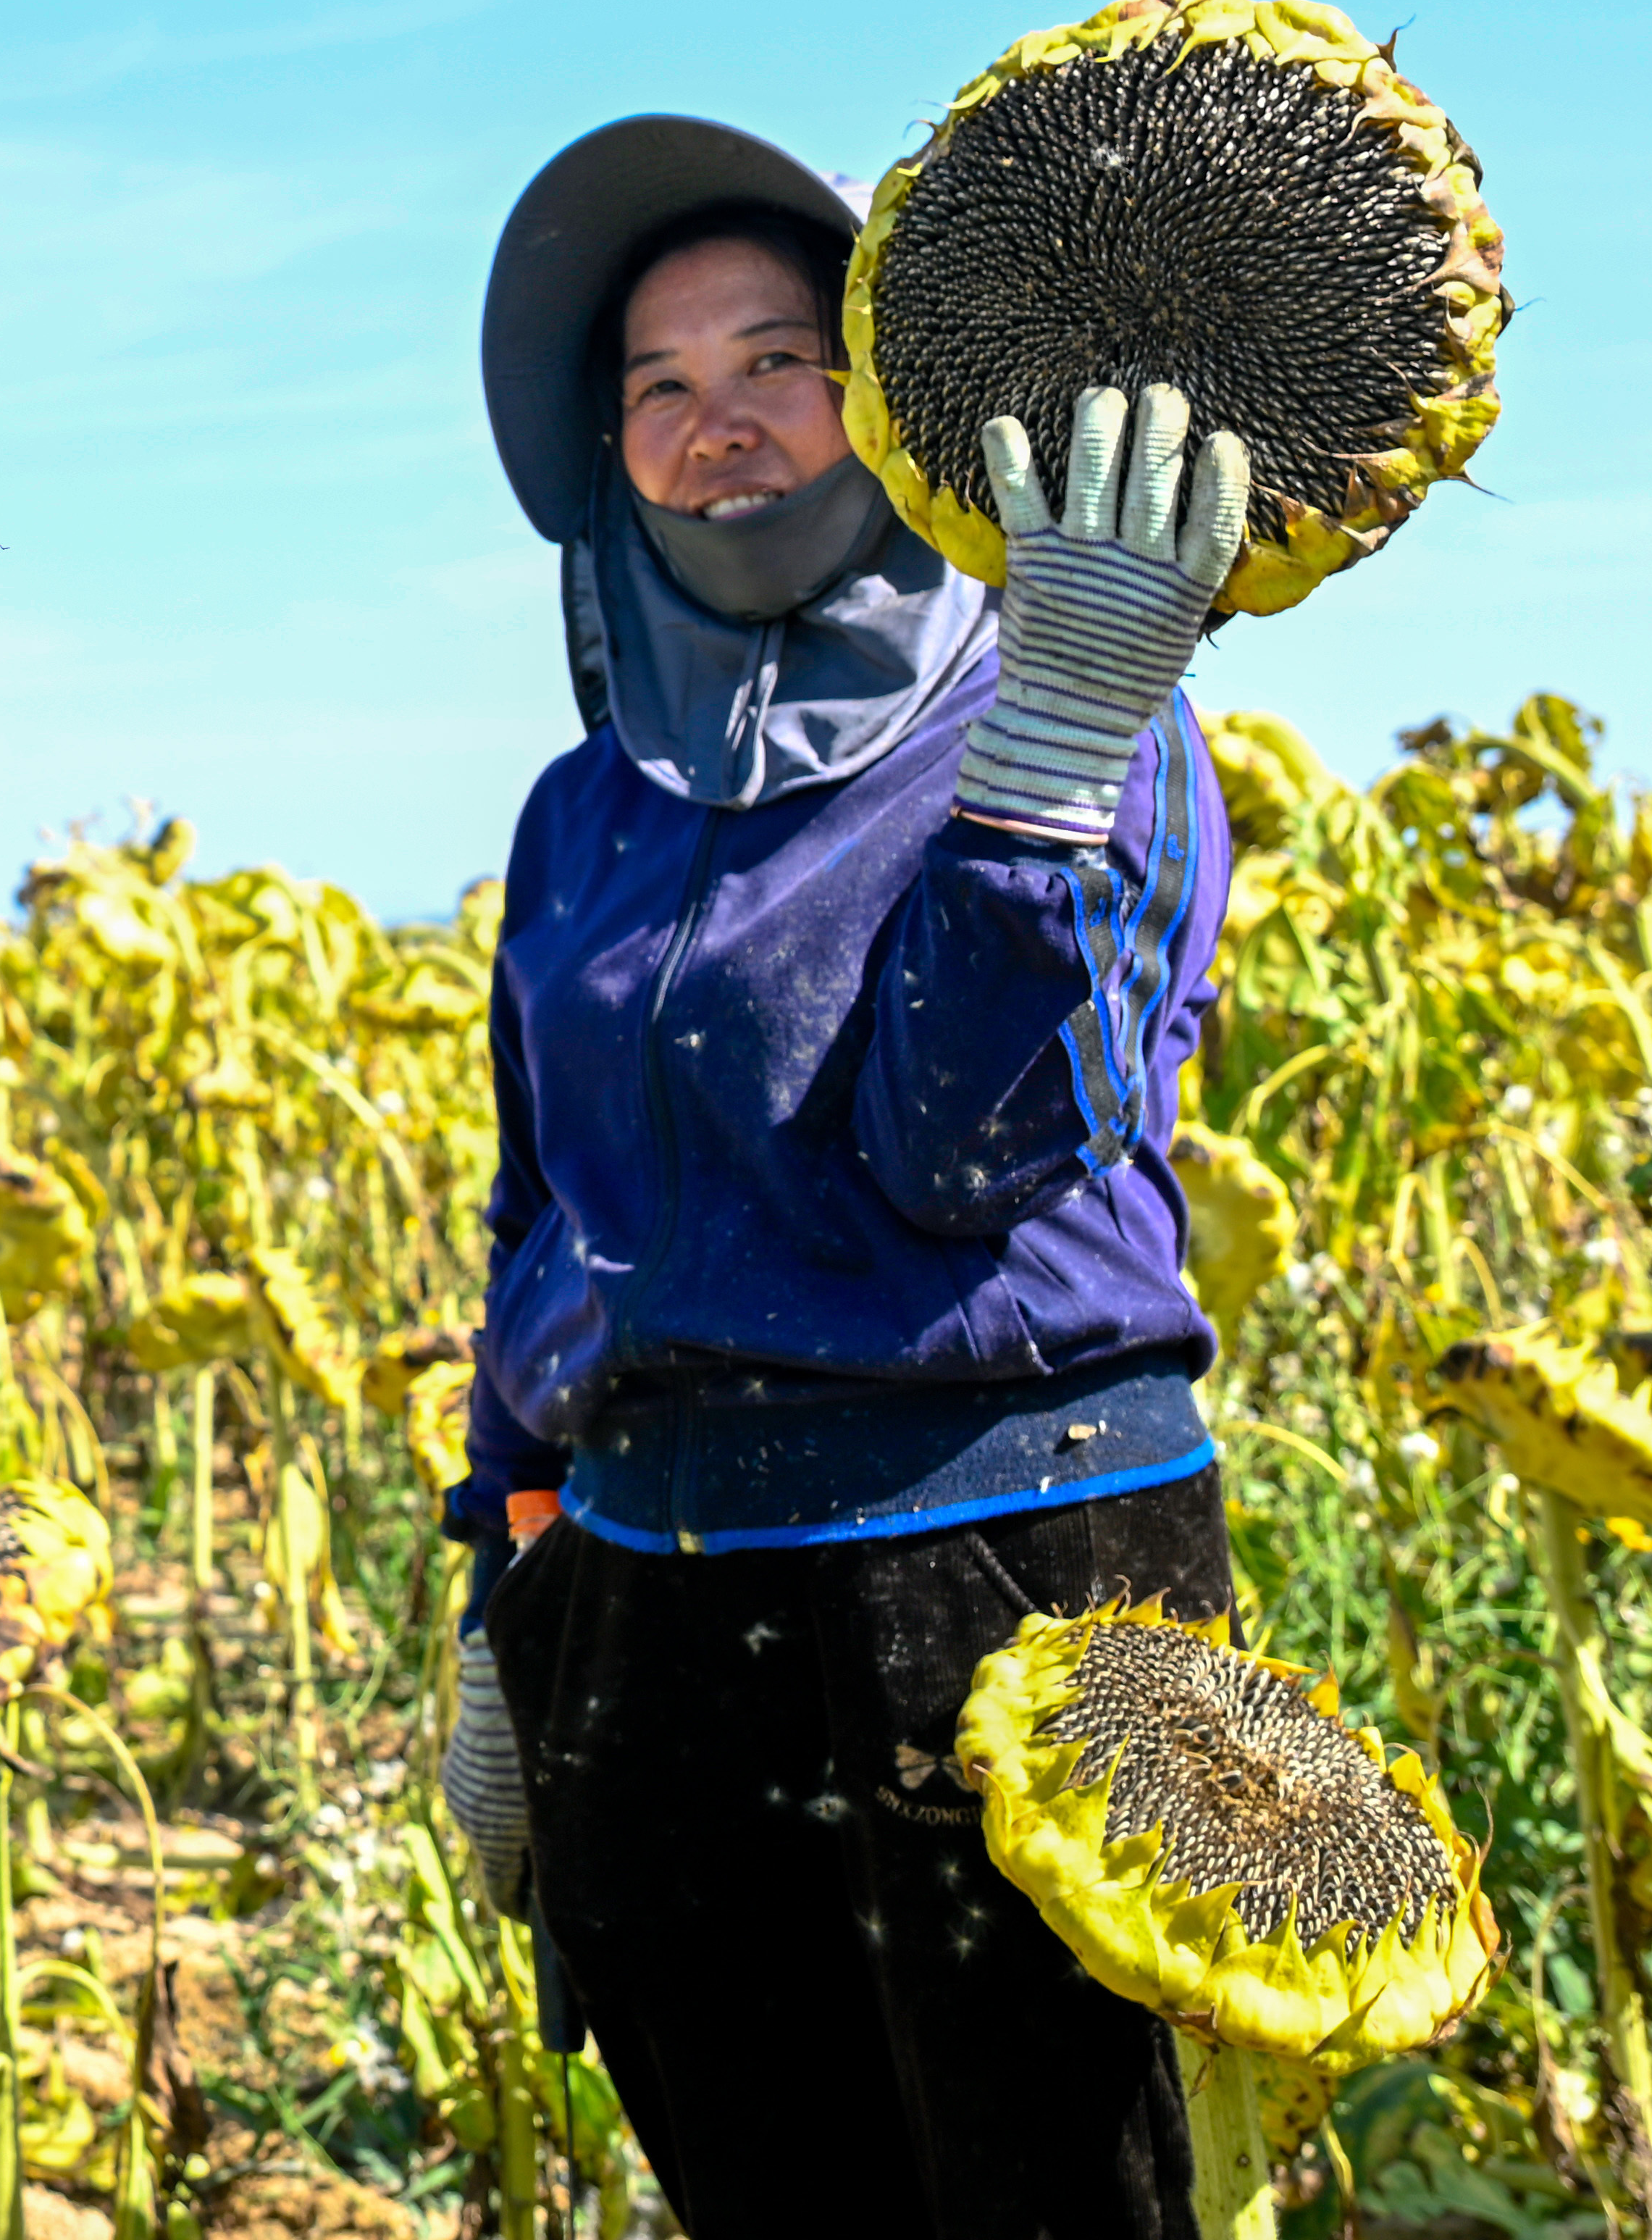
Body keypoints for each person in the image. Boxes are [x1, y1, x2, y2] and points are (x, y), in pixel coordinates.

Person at [442, 114, 1248, 2238]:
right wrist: (497, 1580)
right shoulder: (580, 813)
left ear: (886, 405)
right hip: (648, 1586)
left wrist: (1057, 747)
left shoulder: (1078, 714)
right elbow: (544, 1224)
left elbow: (964, 1155)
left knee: (1051, 2191)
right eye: (659, 388)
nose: (722, 429)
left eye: (779, 363)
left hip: (1000, 1572)